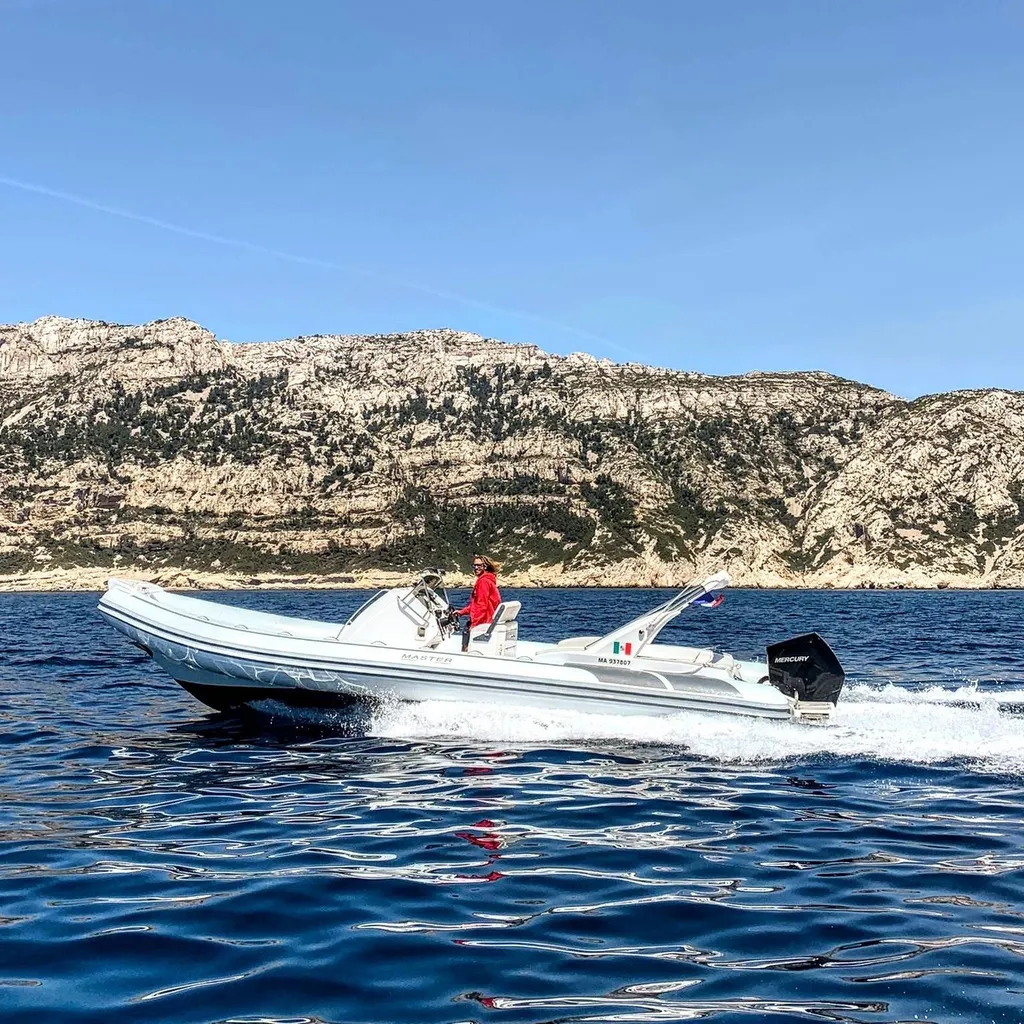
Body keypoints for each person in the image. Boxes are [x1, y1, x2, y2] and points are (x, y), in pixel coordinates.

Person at [457, 554, 502, 651]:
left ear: (485, 566)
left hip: (483, 621)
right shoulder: (489, 579)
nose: (476, 568)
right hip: (488, 619)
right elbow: (476, 604)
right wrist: (461, 612)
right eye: (474, 565)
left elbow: (482, 606)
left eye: (479, 565)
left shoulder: (483, 582)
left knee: (466, 635)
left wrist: (474, 625)